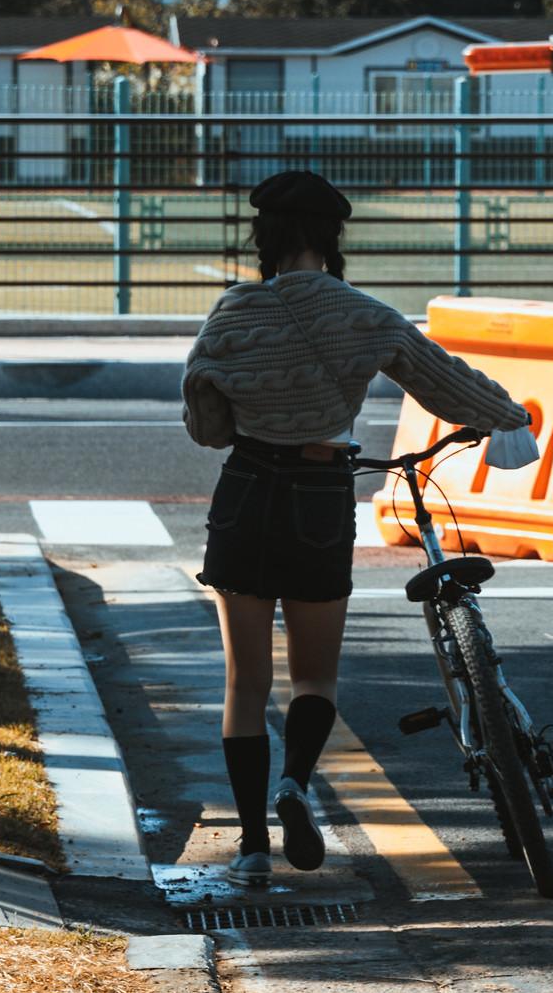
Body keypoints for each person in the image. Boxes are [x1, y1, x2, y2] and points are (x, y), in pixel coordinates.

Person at [182, 168, 529, 886]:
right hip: (317, 496)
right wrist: (509, 415)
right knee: (313, 675)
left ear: (263, 239)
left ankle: (251, 845)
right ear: (333, 239)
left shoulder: (232, 314)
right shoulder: (364, 315)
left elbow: (207, 428)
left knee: (246, 682)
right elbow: (446, 381)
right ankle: (297, 785)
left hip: (245, 493)